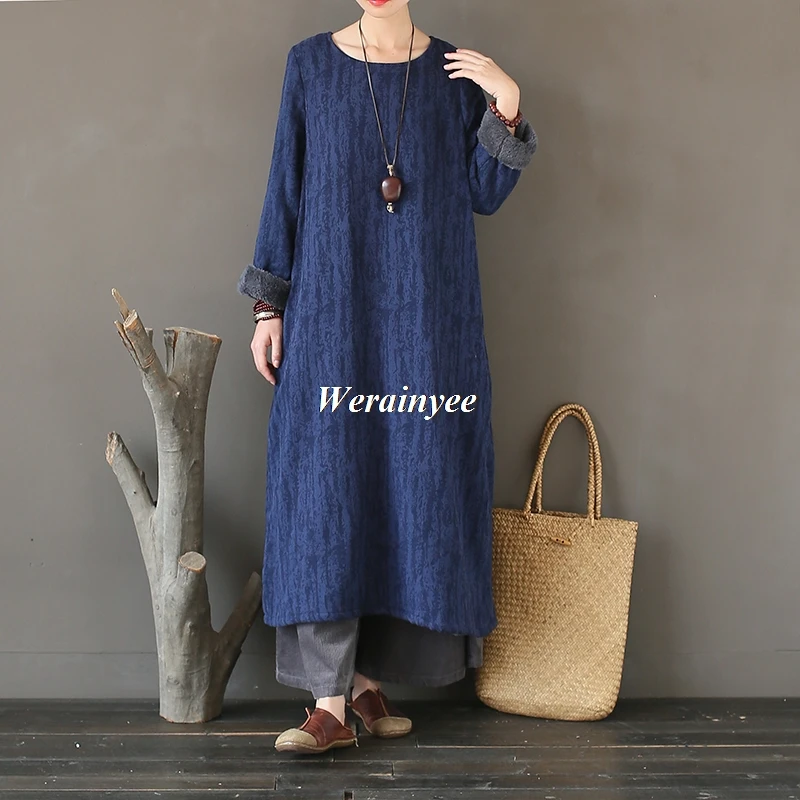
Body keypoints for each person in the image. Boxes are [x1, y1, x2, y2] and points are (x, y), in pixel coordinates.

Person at [237, 0, 537, 755]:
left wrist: (506, 103)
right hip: (331, 319)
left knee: (410, 487)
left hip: (428, 331)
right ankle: (329, 701)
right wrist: (268, 306)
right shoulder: (310, 65)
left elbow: (484, 194)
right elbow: (285, 184)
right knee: (327, 488)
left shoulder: (453, 76)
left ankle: (366, 681)